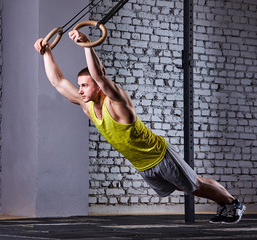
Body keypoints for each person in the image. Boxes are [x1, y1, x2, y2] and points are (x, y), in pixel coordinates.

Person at [34, 30, 246, 224]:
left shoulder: (117, 103)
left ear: (99, 88)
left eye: (84, 85)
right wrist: (46, 53)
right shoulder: (87, 106)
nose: (79, 90)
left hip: (160, 155)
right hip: (142, 164)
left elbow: (100, 75)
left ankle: (233, 204)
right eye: (79, 85)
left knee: (195, 184)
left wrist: (87, 45)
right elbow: (58, 82)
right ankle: (224, 202)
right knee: (186, 187)